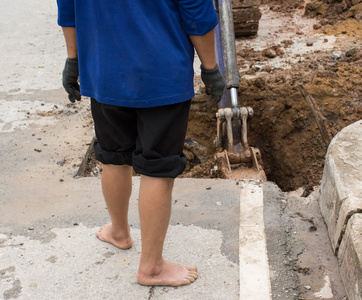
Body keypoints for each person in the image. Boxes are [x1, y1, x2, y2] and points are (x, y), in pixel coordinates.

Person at [57, 0, 225, 287]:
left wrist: (73, 60)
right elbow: (196, 13)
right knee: (158, 166)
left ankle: (119, 232)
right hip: (161, 75)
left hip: (103, 71)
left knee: (113, 155)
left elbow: (68, 9)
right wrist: (210, 68)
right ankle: (152, 268)